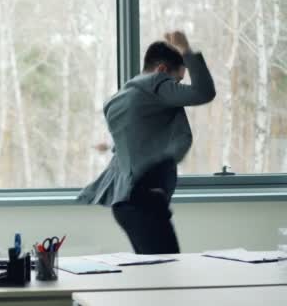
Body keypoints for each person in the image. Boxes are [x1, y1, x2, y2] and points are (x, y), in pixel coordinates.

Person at [77, 31, 216, 254]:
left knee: (153, 272)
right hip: (144, 201)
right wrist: (186, 50)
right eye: (178, 81)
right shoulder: (155, 85)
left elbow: (138, 142)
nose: (178, 88)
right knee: (166, 271)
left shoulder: (123, 95)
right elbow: (204, 92)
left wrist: (111, 146)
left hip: (125, 203)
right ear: (161, 70)